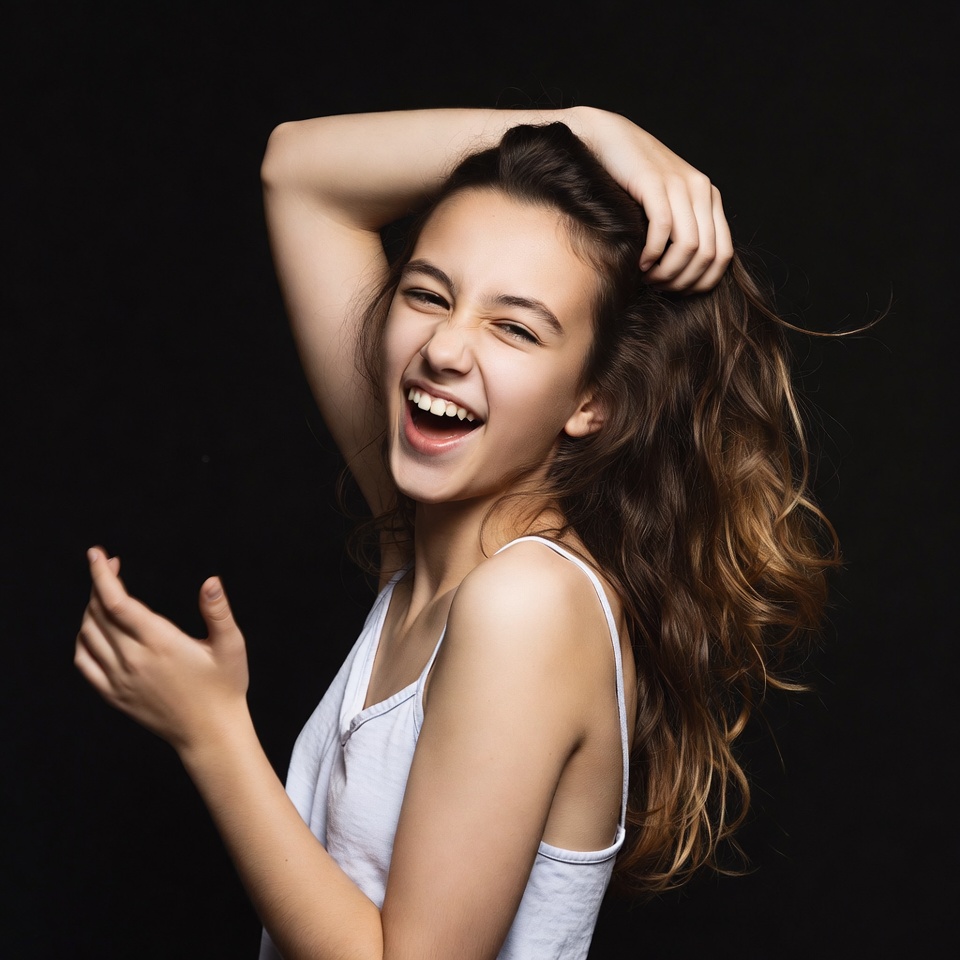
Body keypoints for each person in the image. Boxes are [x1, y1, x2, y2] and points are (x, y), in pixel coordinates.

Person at [75, 105, 837, 959]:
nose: (445, 347)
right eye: (429, 294)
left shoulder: (527, 603)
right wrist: (580, 125)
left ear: (593, 400)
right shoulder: (424, 543)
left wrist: (212, 732)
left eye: (515, 327)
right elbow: (300, 174)